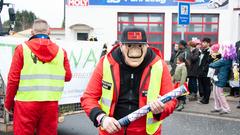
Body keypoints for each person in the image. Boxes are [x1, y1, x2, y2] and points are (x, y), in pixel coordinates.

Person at [81, 27, 177, 135]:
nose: (135, 51)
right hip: (111, 130)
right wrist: (102, 118)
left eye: (140, 46)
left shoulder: (159, 65)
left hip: (146, 132)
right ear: (121, 46)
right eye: (129, 45)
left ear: (146, 46)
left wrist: (161, 110)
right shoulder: (106, 63)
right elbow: (89, 97)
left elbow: (171, 100)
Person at [4, 19, 72, 135]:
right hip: (50, 104)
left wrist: (8, 103)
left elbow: (13, 79)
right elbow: (67, 76)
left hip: (25, 104)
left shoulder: (22, 49)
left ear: (32, 32)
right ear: (49, 32)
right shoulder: (61, 52)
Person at [209, 44, 236, 115]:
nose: (221, 49)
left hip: (221, 78)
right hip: (218, 77)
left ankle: (226, 109)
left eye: (223, 48)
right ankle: (218, 107)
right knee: (215, 93)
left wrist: (211, 58)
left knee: (219, 94)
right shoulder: (225, 58)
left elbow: (213, 65)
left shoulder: (225, 59)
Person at [197, 37, 212, 104]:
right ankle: (203, 98)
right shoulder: (203, 50)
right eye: (202, 42)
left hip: (206, 71)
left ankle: (206, 100)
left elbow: (209, 62)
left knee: (206, 85)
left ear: (208, 43)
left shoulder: (210, 51)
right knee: (202, 85)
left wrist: (204, 68)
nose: (203, 43)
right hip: (201, 71)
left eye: (204, 42)